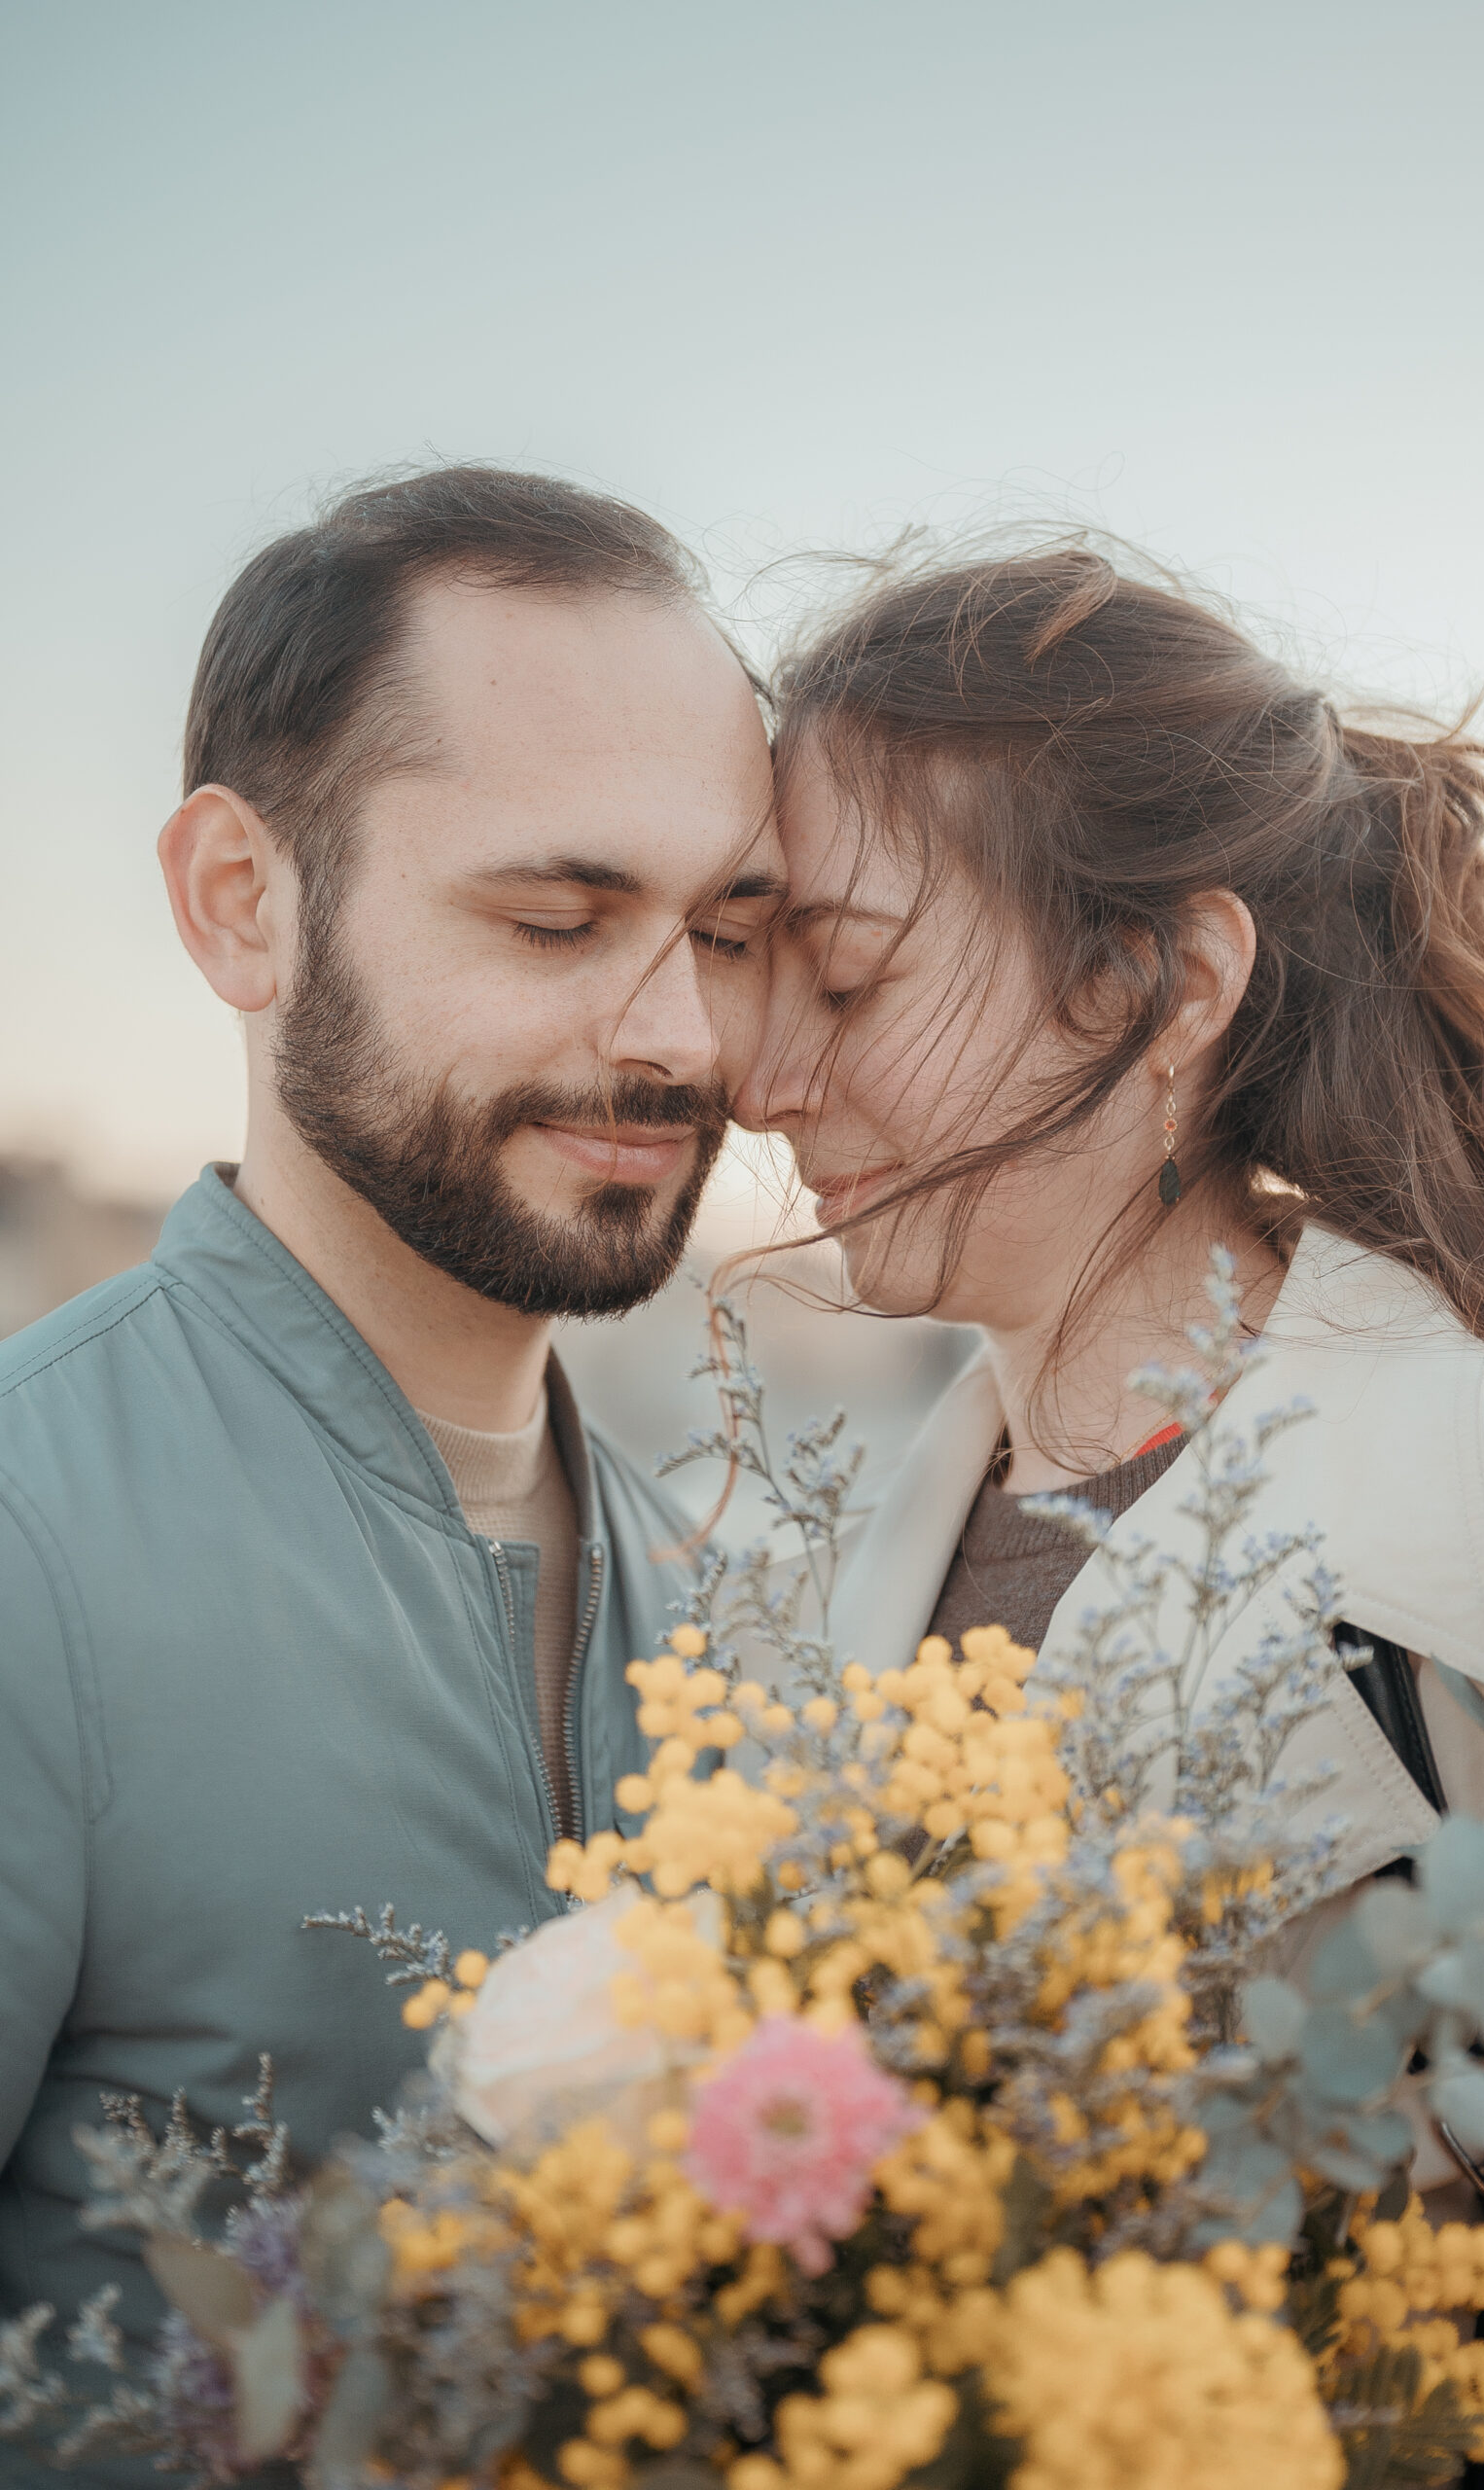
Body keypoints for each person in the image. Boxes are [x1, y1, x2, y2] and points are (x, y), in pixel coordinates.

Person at [735, 541, 1484, 2287]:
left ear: (1164, 989)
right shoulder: (845, 1562)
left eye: (845, 982)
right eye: (754, 973)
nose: (768, 1080)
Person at [0, 465, 781, 2449]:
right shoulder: (29, 1534)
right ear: (243, 905)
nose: (679, 1032)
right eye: (554, 914)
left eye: (729, 926)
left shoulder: (733, 1595)